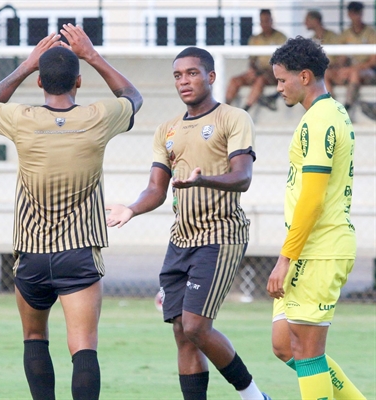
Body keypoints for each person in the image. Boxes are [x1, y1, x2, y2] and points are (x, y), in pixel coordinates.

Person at [0, 24, 142, 400]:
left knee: (34, 337)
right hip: (78, 253)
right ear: (79, 82)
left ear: (39, 83)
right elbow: (133, 95)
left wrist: (25, 64)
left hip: (31, 255)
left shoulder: (22, 118)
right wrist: (92, 55)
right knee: (83, 345)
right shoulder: (99, 117)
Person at [106, 47, 270, 400]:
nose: (184, 81)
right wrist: (131, 209)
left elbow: (242, 177)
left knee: (196, 325)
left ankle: (255, 396)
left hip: (221, 234)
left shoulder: (233, 118)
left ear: (211, 77)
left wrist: (202, 181)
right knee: (182, 330)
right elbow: (155, 188)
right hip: (180, 240)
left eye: (193, 73)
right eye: (178, 75)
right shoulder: (167, 130)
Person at [267, 36, 365, 400]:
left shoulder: (320, 121)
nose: (278, 88)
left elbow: (312, 199)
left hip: (319, 248)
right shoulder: (330, 112)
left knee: (308, 352)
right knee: (284, 345)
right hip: (311, 246)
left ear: (304, 77)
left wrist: (285, 257)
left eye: (281, 80)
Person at [225, 9, 287, 112]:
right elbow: (252, 59)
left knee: (260, 80)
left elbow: (284, 61)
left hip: (273, 73)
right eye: (262, 21)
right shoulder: (255, 38)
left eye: (267, 20)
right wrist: (252, 69)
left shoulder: (280, 37)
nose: (264, 24)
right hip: (258, 70)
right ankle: (224, 109)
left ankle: (245, 110)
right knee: (235, 80)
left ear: (272, 21)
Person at [324, 1, 376, 112]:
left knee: (354, 73)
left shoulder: (371, 33)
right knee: (326, 73)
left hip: (367, 72)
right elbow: (340, 58)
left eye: (358, 13)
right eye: (353, 13)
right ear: (349, 14)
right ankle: (331, 106)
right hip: (347, 71)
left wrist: (354, 68)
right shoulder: (345, 34)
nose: (356, 16)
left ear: (362, 14)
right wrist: (341, 67)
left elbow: (373, 61)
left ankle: (347, 107)